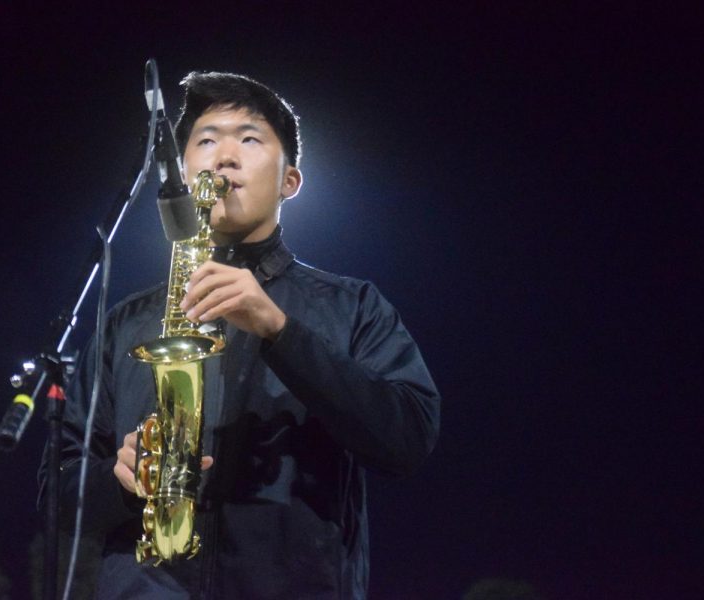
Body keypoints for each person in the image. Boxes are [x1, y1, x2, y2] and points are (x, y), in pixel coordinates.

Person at [39, 71, 441, 599]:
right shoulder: (124, 322)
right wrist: (117, 481)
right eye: (205, 140)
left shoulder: (352, 305)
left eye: (248, 139)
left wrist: (279, 330)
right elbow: (54, 494)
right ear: (183, 172)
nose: (222, 156)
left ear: (290, 181)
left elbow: (408, 439)